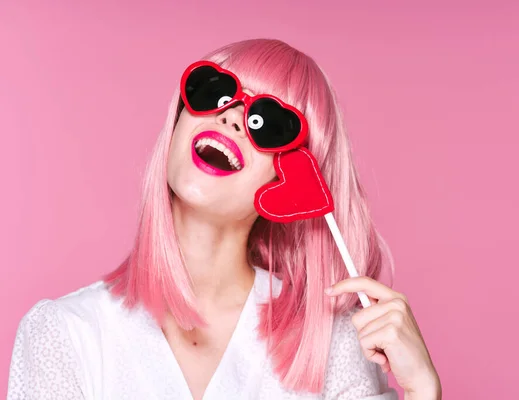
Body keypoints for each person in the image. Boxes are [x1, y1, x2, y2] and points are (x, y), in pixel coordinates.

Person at [7, 39, 441, 399]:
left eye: (268, 122)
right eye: (213, 91)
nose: (231, 116)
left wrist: (422, 390)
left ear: (291, 179)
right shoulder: (62, 334)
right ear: (178, 121)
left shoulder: (332, 344)